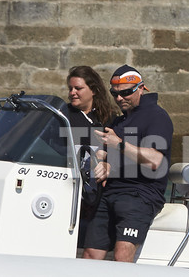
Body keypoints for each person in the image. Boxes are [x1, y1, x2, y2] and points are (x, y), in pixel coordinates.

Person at [84, 65, 173, 263]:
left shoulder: (157, 116)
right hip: (111, 193)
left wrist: (120, 144)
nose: (119, 98)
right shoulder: (119, 121)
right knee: (90, 254)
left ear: (141, 88)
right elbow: (111, 157)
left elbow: (156, 160)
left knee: (122, 254)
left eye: (125, 93)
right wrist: (105, 164)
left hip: (140, 194)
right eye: (114, 94)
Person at [65, 64, 118, 255]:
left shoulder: (110, 118)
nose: (72, 93)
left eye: (78, 88)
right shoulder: (64, 116)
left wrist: (108, 159)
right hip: (70, 187)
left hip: (98, 192)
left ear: (93, 90)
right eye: (70, 88)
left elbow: (120, 151)